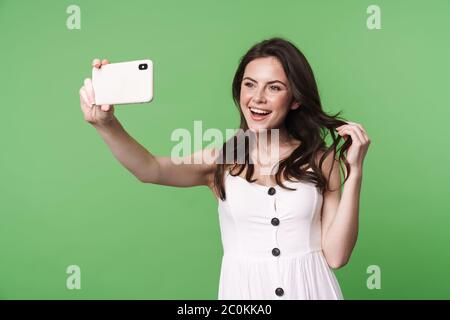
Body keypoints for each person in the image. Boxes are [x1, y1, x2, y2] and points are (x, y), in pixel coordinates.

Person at [79, 37, 371, 300]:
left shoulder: (320, 160)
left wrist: (354, 172)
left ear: (295, 99)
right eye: (249, 84)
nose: (257, 98)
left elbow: (336, 256)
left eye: (274, 87)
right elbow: (150, 168)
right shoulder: (222, 160)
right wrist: (106, 124)